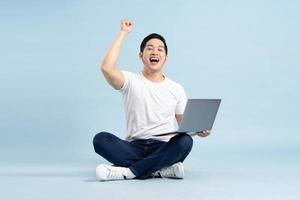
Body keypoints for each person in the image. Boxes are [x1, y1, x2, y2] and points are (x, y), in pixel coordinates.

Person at [93, 19, 210, 181]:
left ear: (165, 58)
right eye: (150, 48)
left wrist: (201, 131)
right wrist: (123, 33)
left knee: (185, 141)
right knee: (100, 140)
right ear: (141, 55)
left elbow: (187, 127)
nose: (155, 52)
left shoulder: (176, 88)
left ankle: (129, 172)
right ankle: (159, 170)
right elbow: (106, 68)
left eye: (160, 49)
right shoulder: (130, 80)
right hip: (133, 147)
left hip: (163, 147)